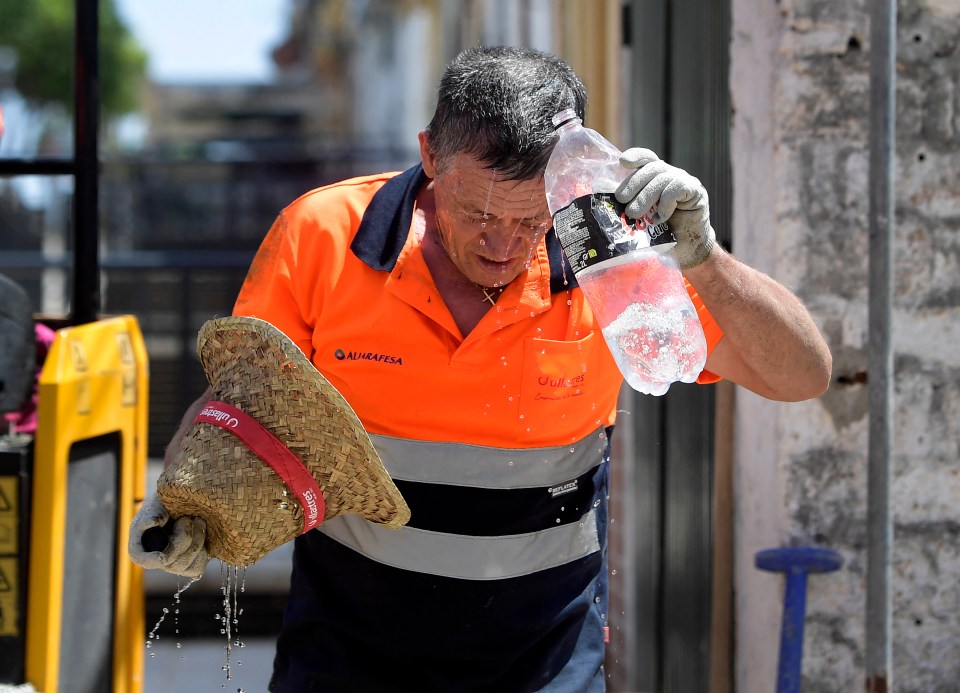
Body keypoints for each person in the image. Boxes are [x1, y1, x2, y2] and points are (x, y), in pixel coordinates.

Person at [129, 45, 831, 692]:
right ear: (430, 155)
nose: (505, 245)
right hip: (348, 654)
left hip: (543, 658)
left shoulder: (617, 261)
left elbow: (804, 374)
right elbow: (239, 405)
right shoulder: (324, 236)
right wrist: (187, 496)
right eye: (479, 213)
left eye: (532, 221)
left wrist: (703, 257)